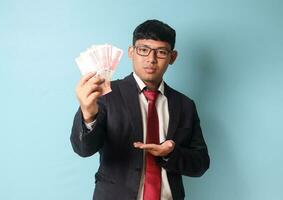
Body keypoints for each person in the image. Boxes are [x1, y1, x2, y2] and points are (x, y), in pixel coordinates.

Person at [70, 19, 210, 200]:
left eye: (160, 52)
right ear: (131, 52)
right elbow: (83, 149)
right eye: (143, 50)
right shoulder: (106, 93)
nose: (151, 59)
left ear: (172, 57)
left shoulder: (185, 105)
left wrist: (170, 154)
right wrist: (88, 114)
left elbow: (200, 164)